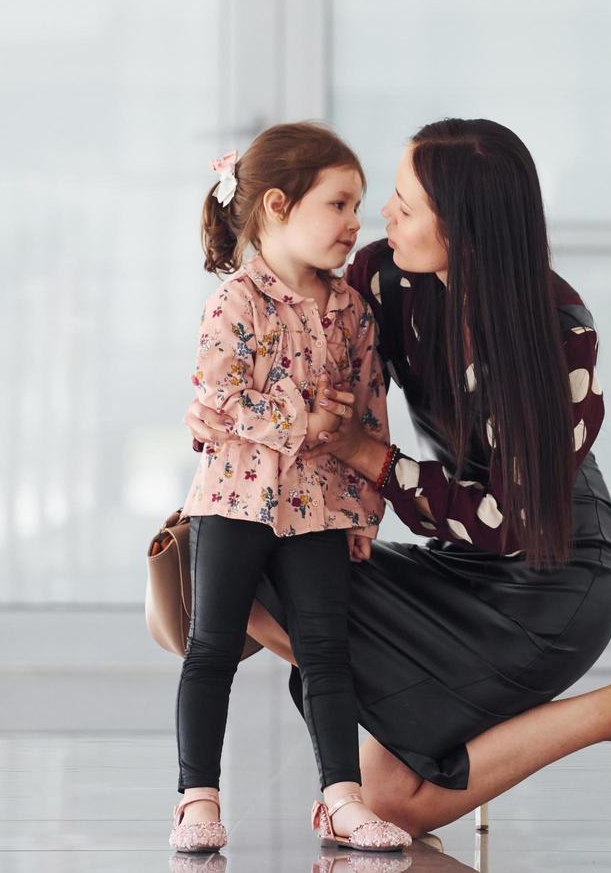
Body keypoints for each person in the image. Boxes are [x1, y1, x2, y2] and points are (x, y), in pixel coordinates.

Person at [185, 118, 611, 839]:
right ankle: (445, 717)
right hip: (455, 547)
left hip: (549, 574)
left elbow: (503, 520)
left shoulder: (559, 332)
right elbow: (316, 363)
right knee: (239, 564)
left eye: (404, 205)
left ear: (466, 228)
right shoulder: (384, 275)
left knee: (391, 801)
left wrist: (366, 456)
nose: (380, 217)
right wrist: (230, 406)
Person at [169, 123, 409, 854]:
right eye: (339, 204)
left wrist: (364, 511)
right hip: (232, 501)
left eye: (358, 206)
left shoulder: (352, 313)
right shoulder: (235, 302)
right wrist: (304, 416)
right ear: (278, 204)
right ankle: (196, 799)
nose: (354, 224)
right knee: (212, 648)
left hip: (321, 506)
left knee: (325, 651)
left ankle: (341, 797)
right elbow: (215, 401)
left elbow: (369, 412)